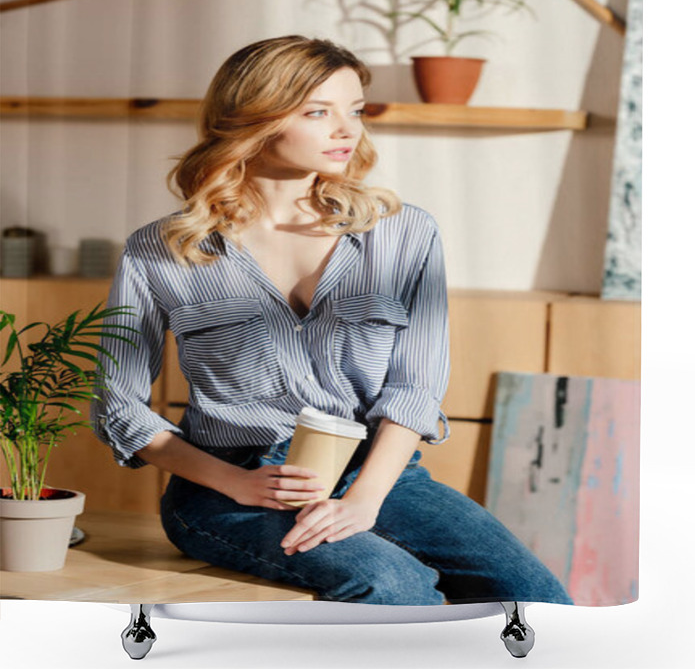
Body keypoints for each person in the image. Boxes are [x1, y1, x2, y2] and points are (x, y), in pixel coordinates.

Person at [91, 35, 572, 606]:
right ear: (254, 118)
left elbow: (415, 387)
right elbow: (118, 402)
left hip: (379, 474)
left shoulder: (402, 234)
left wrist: (365, 499)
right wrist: (237, 483)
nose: (348, 130)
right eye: (319, 112)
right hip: (226, 489)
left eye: (355, 111)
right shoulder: (162, 249)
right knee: (393, 585)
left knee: (536, 599)